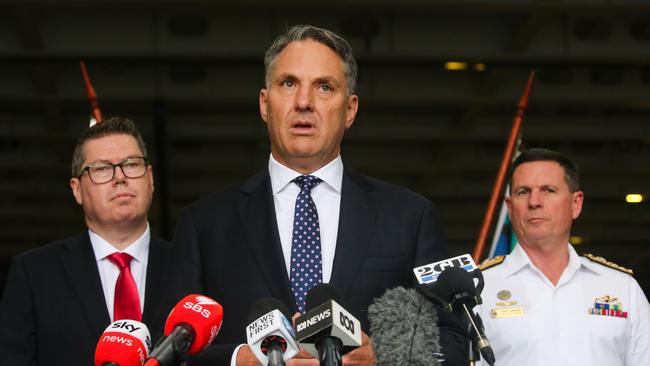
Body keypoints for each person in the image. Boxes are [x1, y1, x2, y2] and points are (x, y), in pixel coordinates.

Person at [169, 25, 467, 365]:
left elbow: (453, 342)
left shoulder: (409, 217)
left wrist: (388, 356)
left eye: (324, 87)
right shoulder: (204, 224)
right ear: (265, 104)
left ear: (351, 109)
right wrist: (241, 360)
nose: (304, 102)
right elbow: (172, 348)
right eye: (288, 83)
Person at [0, 117, 172, 366]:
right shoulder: (34, 273)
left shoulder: (188, 263)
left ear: (151, 178)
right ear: (76, 189)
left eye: (132, 164)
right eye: (101, 168)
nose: (120, 177)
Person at [477, 148, 650, 366]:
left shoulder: (623, 289)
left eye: (548, 190)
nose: (534, 201)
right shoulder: (478, 289)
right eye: (523, 192)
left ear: (576, 204)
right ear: (510, 208)